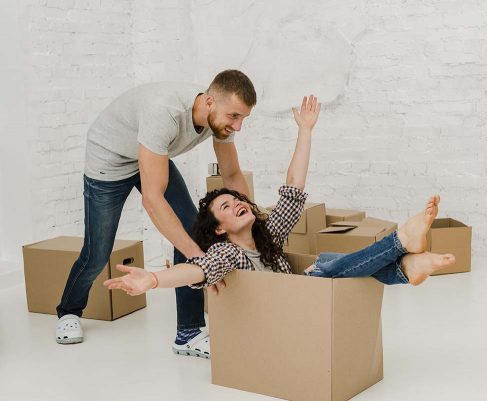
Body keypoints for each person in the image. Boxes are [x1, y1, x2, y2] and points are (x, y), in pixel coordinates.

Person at [103, 96, 456, 341]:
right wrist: (152, 279)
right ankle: (401, 246)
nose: (237, 204)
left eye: (236, 199)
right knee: (325, 269)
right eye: (225, 207)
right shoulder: (229, 255)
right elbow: (196, 271)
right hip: (280, 321)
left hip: (307, 302)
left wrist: (305, 131)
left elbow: (292, 189)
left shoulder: (267, 234)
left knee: (326, 265)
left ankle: (406, 267)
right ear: (220, 229)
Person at [55, 70, 257, 359]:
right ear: (210, 102)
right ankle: (68, 311)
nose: (237, 126)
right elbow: (153, 200)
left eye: (243, 118)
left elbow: (233, 175)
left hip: (148, 155)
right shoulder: (165, 112)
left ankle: (188, 332)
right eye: (234, 117)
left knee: (191, 231)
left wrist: (253, 227)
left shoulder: (221, 120)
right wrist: (198, 256)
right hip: (108, 162)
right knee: (97, 253)